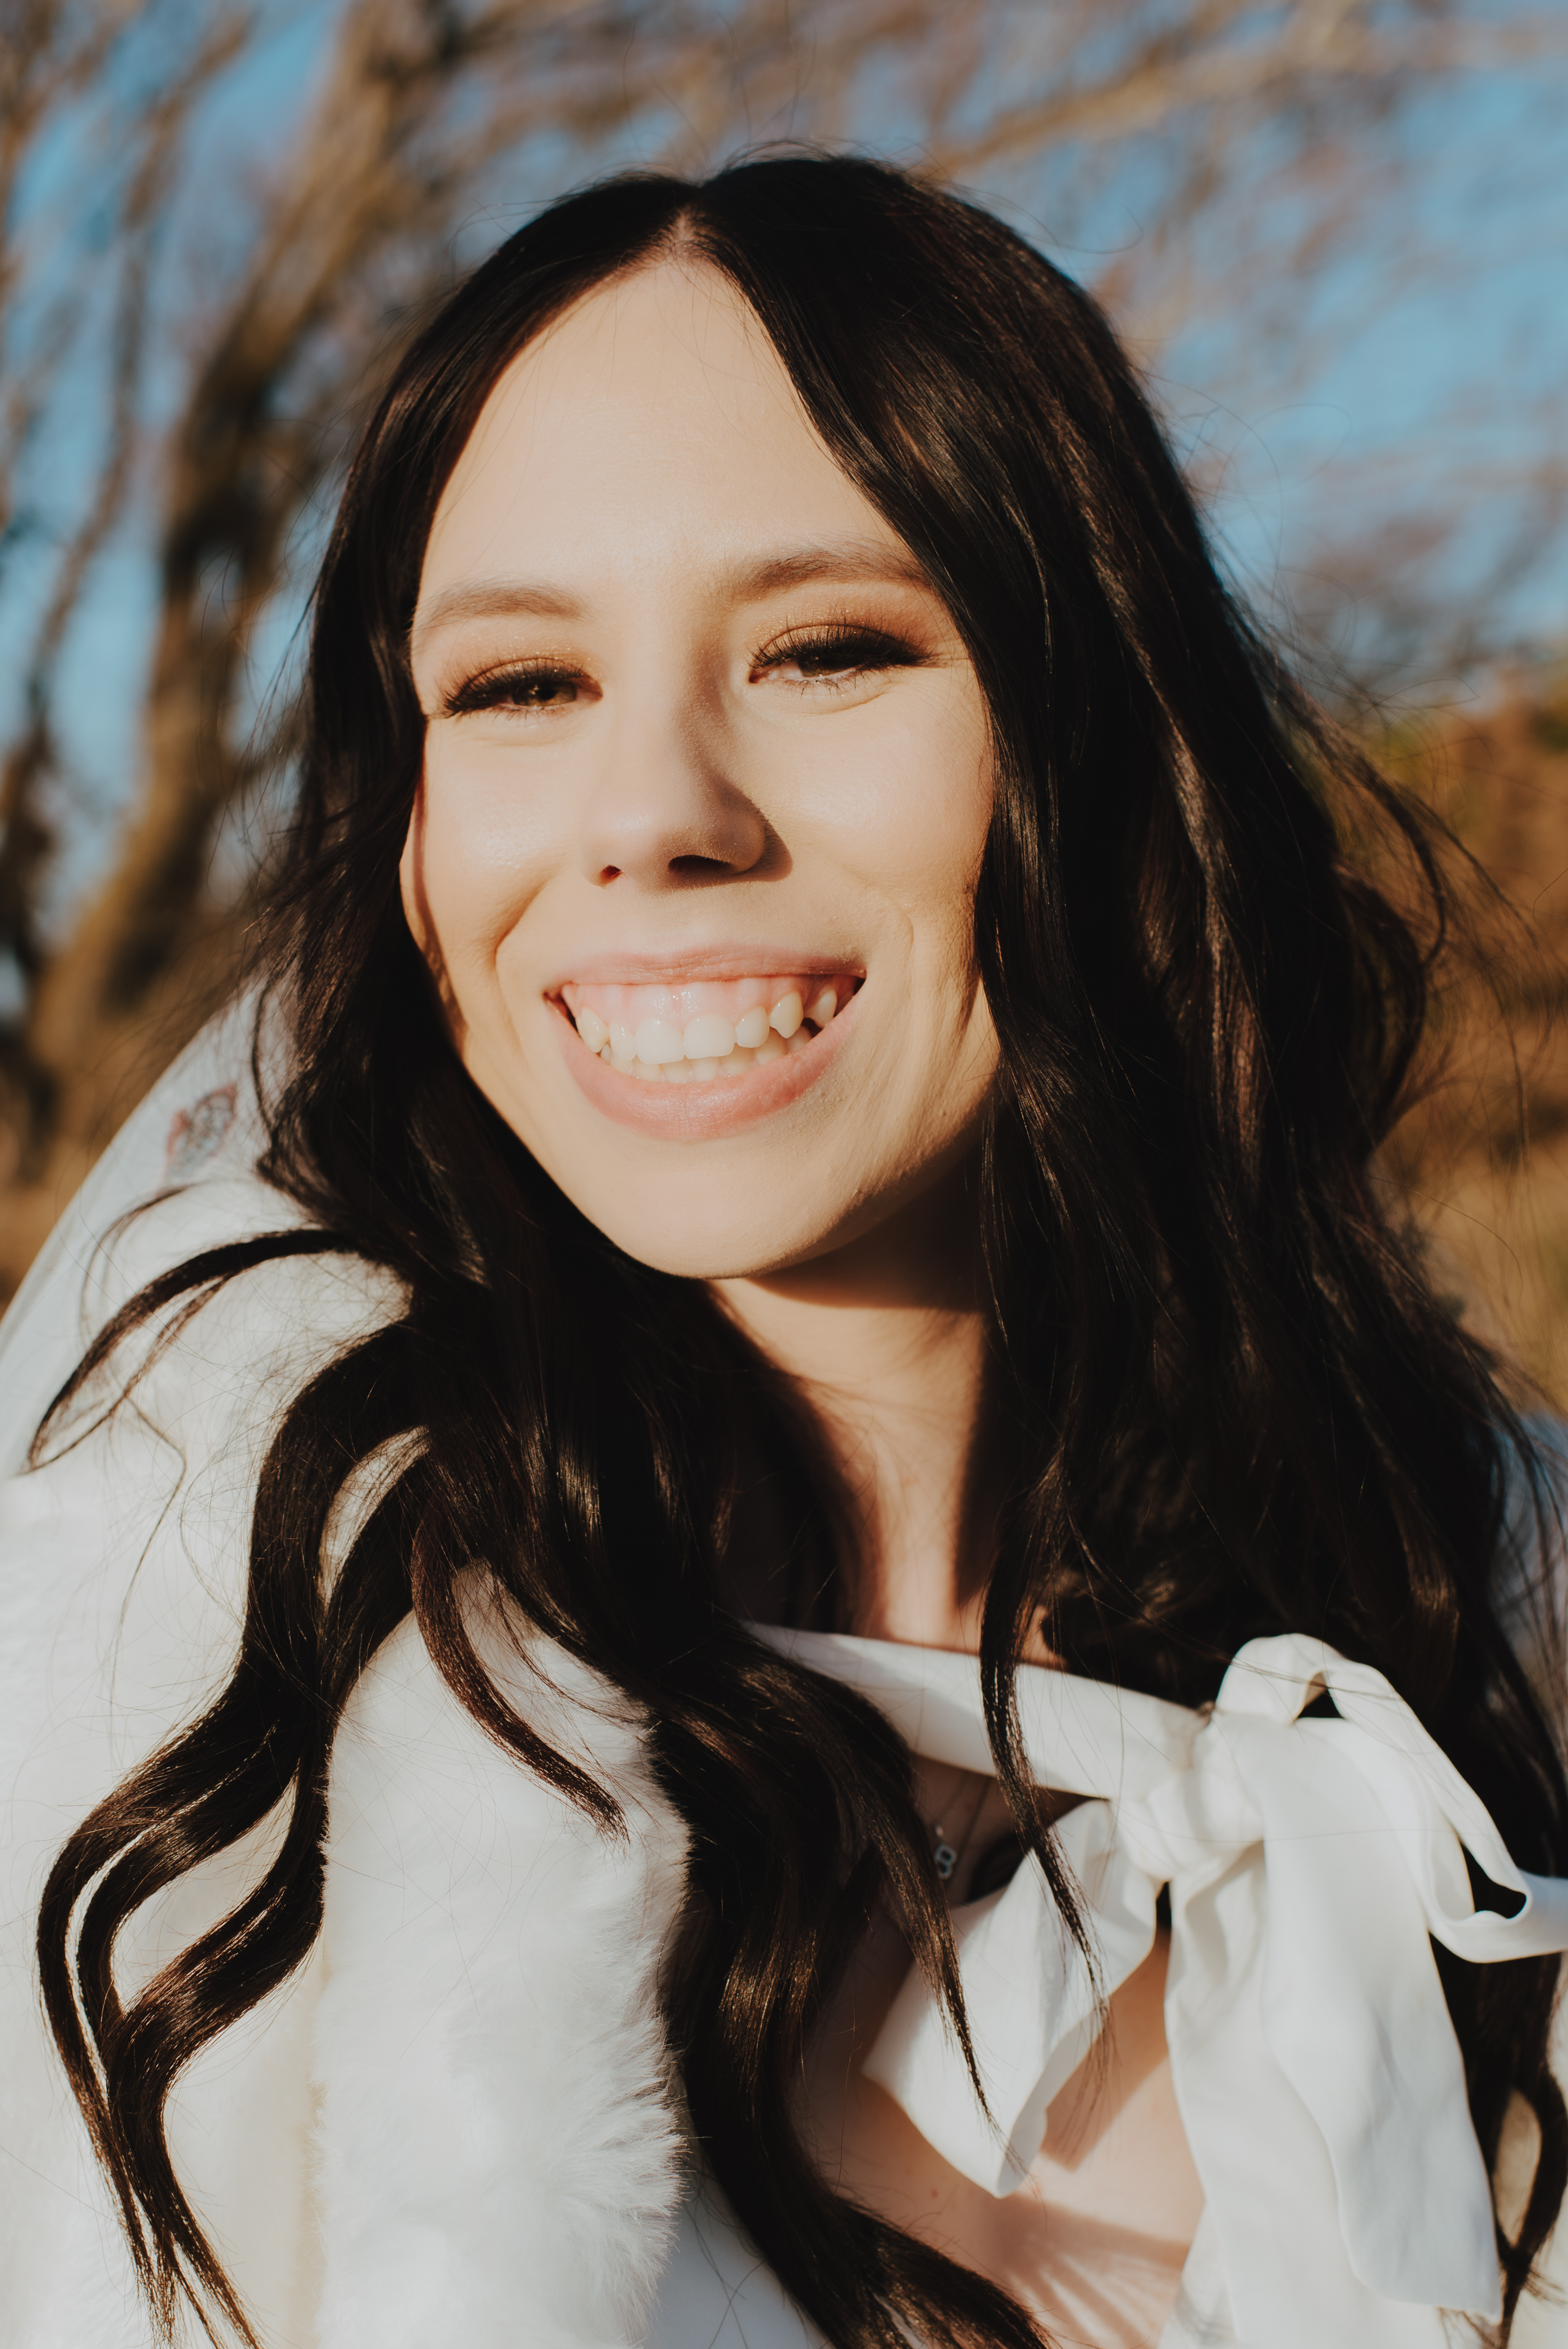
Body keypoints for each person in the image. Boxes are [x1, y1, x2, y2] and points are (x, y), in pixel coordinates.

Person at [1, 154, 1566, 2349]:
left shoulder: (1476, 1634)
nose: (654, 809)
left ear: (1095, 744)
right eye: (519, 685)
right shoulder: (185, 1683)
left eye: (826, 647)